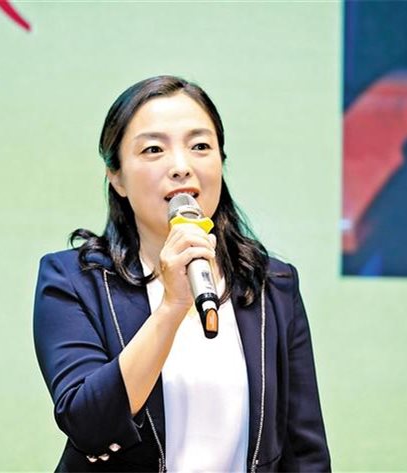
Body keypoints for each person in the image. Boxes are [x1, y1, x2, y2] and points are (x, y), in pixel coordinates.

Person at [33, 75, 331, 472]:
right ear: (116, 177)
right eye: (154, 149)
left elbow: (304, 450)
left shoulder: (271, 284)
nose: (181, 167)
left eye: (200, 146)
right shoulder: (73, 280)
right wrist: (171, 307)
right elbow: (88, 424)